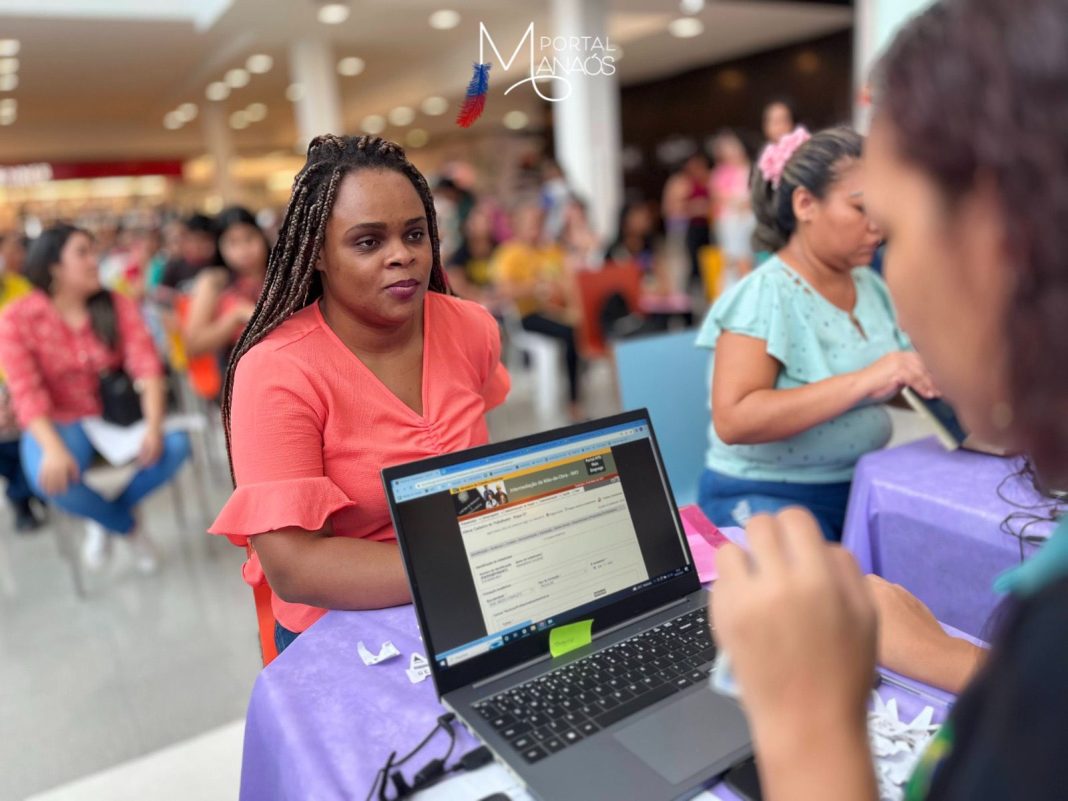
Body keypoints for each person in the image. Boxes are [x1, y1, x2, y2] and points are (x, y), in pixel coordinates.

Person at [711, 0, 1068, 797]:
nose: (885, 258)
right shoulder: (768, 295)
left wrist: (807, 723)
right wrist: (951, 658)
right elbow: (735, 414)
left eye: (897, 229)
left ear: (992, 244)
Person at [208, 135, 510, 655]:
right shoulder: (277, 370)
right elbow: (295, 566)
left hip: (477, 593)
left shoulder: (471, 327)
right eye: (368, 242)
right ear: (318, 254)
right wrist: (475, 561)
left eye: (415, 234)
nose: (403, 256)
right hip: (342, 625)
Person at [696, 126, 937, 541]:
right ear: (805, 203)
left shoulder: (870, 286)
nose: (877, 226)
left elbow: (891, 378)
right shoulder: (765, 293)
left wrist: (927, 379)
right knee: (831, 595)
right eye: (861, 209)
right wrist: (868, 379)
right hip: (764, 495)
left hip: (860, 487)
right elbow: (734, 419)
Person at [0, 225, 191, 572]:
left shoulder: (114, 302)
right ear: (54, 266)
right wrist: (54, 449)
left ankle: (102, 517)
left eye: (93, 251)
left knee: (175, 446)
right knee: (51, 477)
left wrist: (153, 426)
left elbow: (146, 367)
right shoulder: (17, 318)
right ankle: (126, 526)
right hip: (58, 420)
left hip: (114, 416)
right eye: (82, 253)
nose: (95, 261)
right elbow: (25, 391)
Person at [492, 203, 582, 420]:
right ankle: (573, 402)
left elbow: (566, 281)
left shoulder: (551, 251)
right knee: (570, 334)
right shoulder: (509, 253)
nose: (536, 229)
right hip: (526, 317)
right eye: (532, 224)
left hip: (552, 310)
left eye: (539, 224)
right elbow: (503, 289)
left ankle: (574, 396)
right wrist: (535, 287)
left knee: (578, 329)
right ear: (519, 226)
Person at [182, 207, 267, 366]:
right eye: (233, 242)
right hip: (238, 373)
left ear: (262, 236)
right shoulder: (214, 281)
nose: (244, 250)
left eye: (249, 238)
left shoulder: (282, 276)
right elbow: (193, 345)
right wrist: (235, 316)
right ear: (220, 247)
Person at [0, 253, 42, 531]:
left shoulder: (21, 288)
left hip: (24, 381)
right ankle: (21, 499)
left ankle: (31, 492)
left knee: (31, 443)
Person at [709, 129, 756, 288]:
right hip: (729, 222)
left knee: (748, 256)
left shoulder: (752, 170)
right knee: (733, 258)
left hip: (750, 221)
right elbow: (717, 196)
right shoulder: (720, 173)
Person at [662, 152, 712, 288]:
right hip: (682, 228)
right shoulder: (680, 182)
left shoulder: (708, 180)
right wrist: (693, 207)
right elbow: (670, 208)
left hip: (704, 228)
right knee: (683, 262)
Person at [158, 213, 217, 293]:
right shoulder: (174, 267)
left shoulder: (217, 268)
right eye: (194, 240)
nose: (198, 246)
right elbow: (161, 294)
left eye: (204, 240)